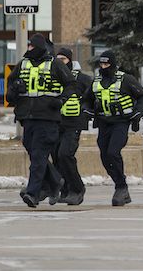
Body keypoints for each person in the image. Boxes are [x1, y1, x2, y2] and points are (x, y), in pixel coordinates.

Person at [6, 33, 76, 208]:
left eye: (32, 46)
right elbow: (11, 83)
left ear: (39, 47)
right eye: (28, 46)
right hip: (27, 118)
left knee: (38, 155)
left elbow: (71, 84)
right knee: (33, 152)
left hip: (47, 117)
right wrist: (14, 89)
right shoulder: (23, 64)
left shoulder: (54, 64)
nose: (29, 49)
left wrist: (60, 100)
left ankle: (33, 193)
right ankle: (54, 180)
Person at [88, 50, 143, 206]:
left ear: (113, 64)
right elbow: (86, 99)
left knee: (113, 152)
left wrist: (138, 113)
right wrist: (86, 109)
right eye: (101, 64)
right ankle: (119, 183)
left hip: (121, 122)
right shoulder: (96, 81)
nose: (103, 66)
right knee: (105, 156)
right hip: (103, 123)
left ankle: (121, 187)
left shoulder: (126, 79)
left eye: (107, 64)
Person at [54, 47, 92, 205]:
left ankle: (77, 189)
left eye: (63, 59)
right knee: (56, 157)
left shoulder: (82, 79)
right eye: (58, 59)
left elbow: (92, 96)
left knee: (65, 155)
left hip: (74, 123)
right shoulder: (53, 77)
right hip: (56, 122)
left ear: (70, 60)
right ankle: (66, 190)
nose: (60, 62)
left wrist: (86, 110)